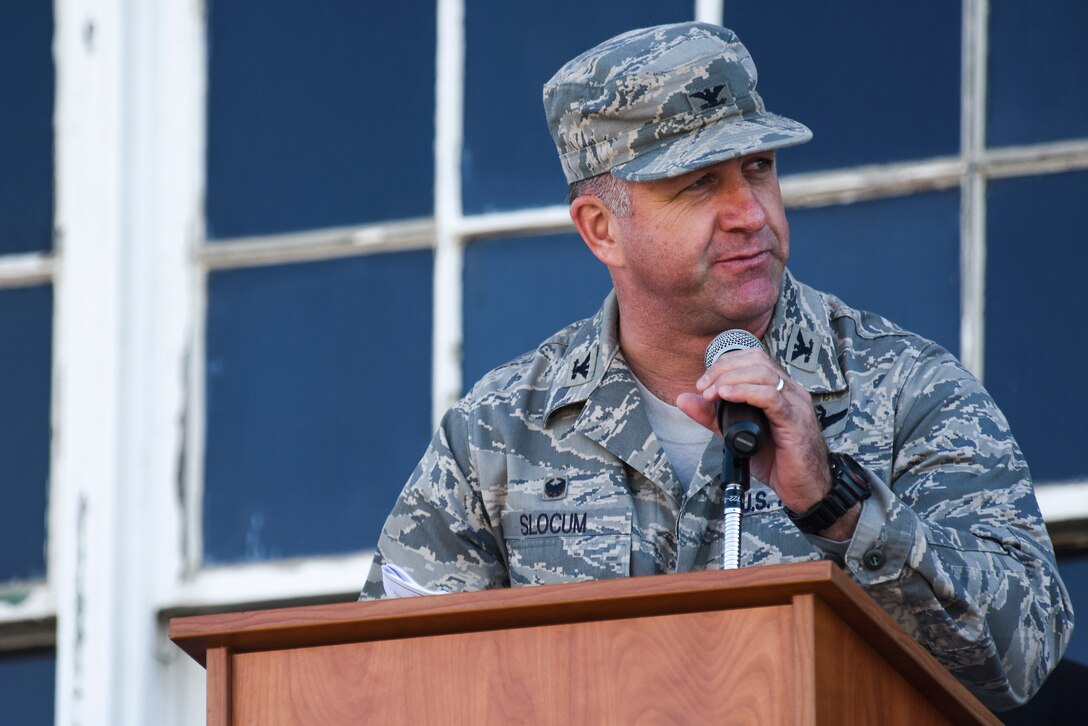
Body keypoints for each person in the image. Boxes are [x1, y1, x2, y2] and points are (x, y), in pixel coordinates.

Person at [360, 22, 1072, 710]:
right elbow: (382, 682)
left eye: (758, 169)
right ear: (601, 229)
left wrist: (840, 507)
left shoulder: (909, 389)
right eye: (699, 184)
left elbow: (1021, 660)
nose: (749, 212)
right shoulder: (497, 432)